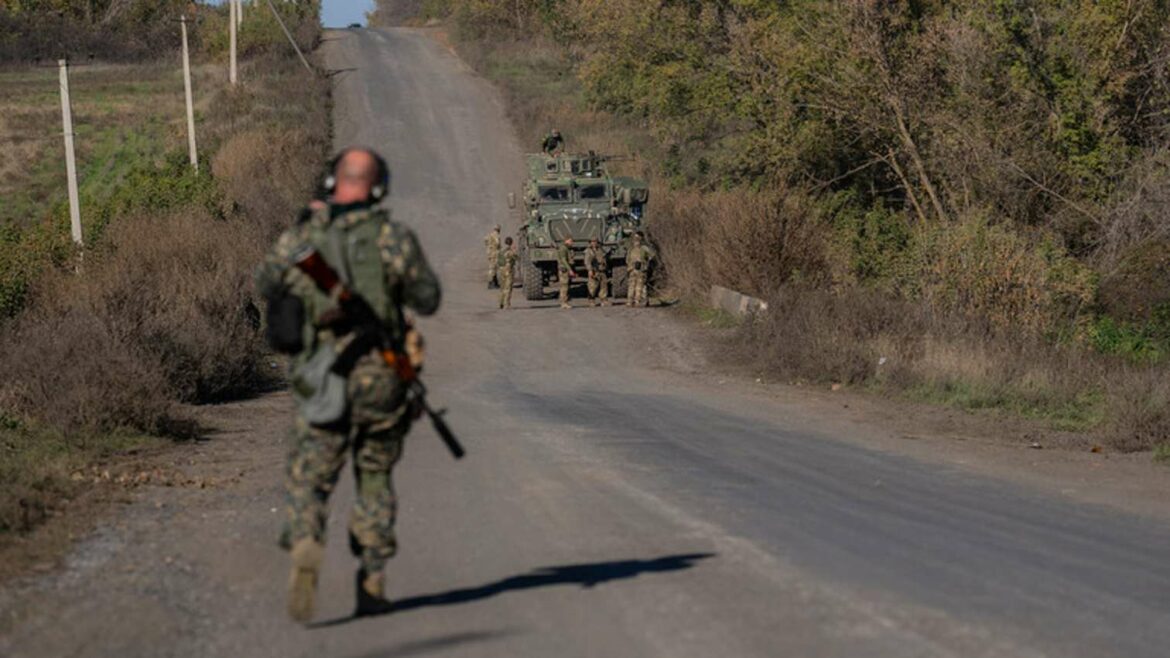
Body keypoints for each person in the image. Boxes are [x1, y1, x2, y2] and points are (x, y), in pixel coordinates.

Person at [254, 147, 441, 623]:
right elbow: (428, 297)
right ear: (378, 189)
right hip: (382, 376)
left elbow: (266, 280)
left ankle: (306, 541)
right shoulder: (392, 238)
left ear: (333, 183)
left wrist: (304, 226)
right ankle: (373, 576)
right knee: (374, 477)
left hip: (323, 375)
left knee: (311, 476)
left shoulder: (303, 237)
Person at [625, 231, 654, 308]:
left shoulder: (644, 248)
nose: (636, 241)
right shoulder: (631, 249)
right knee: (632, 286)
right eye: (635, 239)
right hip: (633, 270)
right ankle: (630, 301)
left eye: (638, 238)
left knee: (640, 286)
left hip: (641, 270)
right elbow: (627, 259)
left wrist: (645, 263)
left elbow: (651, 255)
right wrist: (630, 266)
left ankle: (638, 301)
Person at [583, 237, 609, 307]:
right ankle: (591, 300)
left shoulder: (600, 249)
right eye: (592, 241)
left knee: (603, 286)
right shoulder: (589, 251)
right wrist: (590, 270)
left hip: (602, 269)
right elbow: (587, 262)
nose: (594, 243)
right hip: (594, 270)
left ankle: (603, 299)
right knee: (592, 286)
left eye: (595, 241)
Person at [498, 236, 517, 309]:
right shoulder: (509, 252)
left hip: (501, 270)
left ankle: (501, 302)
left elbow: (499, 261)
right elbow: (517, 258)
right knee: (508, 287)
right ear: (511, 243)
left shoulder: (501, 251)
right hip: (509, 270)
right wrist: (514, 250)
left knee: (502, 287)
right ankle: (507, 304)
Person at [556, 237, 575, 309]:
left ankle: (564, 302)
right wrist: (569, 269)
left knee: (565, 286)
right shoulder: (563, 249)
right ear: (566, 240)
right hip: (564, 269)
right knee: (564, 286)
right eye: (570, 241)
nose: (571, 243)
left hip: (564, 269)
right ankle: (564, 303)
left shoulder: (566, 248)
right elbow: (564, 260)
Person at [484, 225, 501, 289]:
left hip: (490, 253)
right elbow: (497, 243)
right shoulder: (496, 235)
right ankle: (490, 283)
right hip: (494, 253)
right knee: (493, 268)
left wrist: (489, 246)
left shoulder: (489, 234)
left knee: (493, 267)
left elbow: (485, 240)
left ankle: (494, 282)